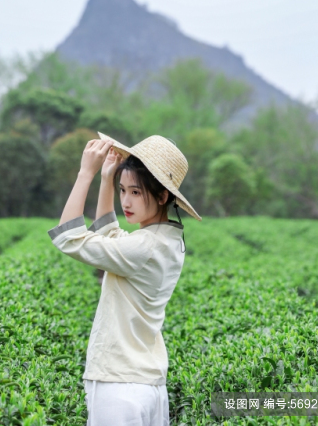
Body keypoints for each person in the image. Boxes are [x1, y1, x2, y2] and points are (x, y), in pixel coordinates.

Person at [47, 131, 202, 426]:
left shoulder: (142, 246)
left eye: (135, 192)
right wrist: (107, 180)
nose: (126, 201)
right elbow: (110, 234)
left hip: (120, 387)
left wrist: (85, 174)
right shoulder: (166, 239)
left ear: (162, 196)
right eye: (123, 190)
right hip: (147, 383)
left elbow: (68, 237)